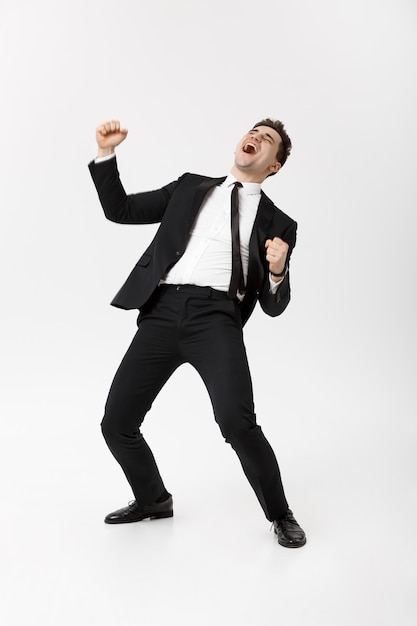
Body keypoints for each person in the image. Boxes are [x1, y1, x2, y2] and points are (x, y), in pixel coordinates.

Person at [88, 117, 306, 548]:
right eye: (254, 132)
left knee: (236, 423)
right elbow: (122, 211)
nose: (256, 138)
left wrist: (279, 271)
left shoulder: (280, 223)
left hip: (216, 319)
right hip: (162, 311)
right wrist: (106, 154)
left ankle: (281, 514)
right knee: (116, 423)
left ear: (274, 166)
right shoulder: (190, 186)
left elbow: (273, 306)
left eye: (268, 141)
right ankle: (152, 500)